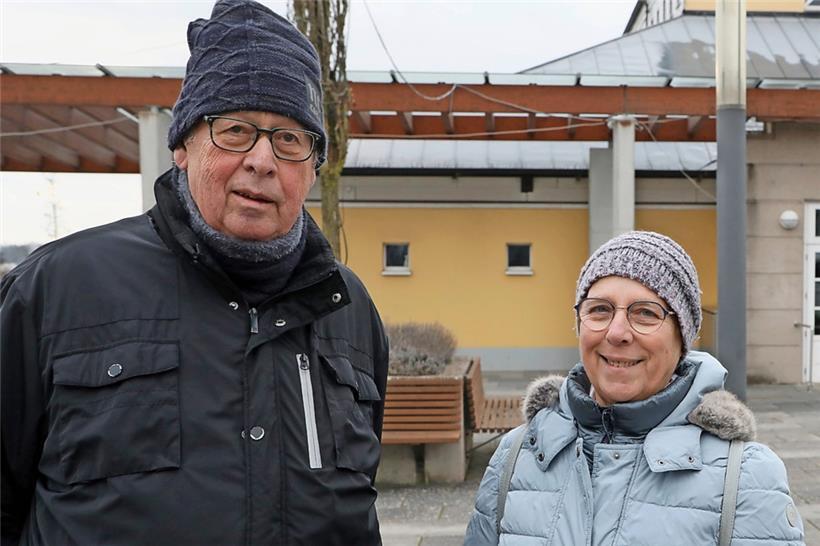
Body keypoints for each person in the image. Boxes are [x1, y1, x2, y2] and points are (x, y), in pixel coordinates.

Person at [0, 1, 388, 544]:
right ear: (183, 145)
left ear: (311, 168)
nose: (262, 160)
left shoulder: (347, 306)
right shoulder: (54, 291)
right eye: (235, 130)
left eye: (290, 139)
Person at [465, 231, 805, 545]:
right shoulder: (516, 455)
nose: (617, 332)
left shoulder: (744, 476)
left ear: (682, 336)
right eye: (599, 310)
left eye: (645, 313)